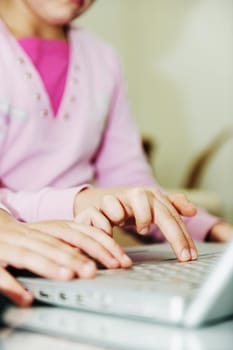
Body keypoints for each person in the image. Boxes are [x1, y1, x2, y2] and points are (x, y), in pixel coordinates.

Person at [0, 0, 232, 305]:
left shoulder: (102, 58)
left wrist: (214, 229)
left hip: (87, 269)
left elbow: (132, 182)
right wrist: (78, 201)